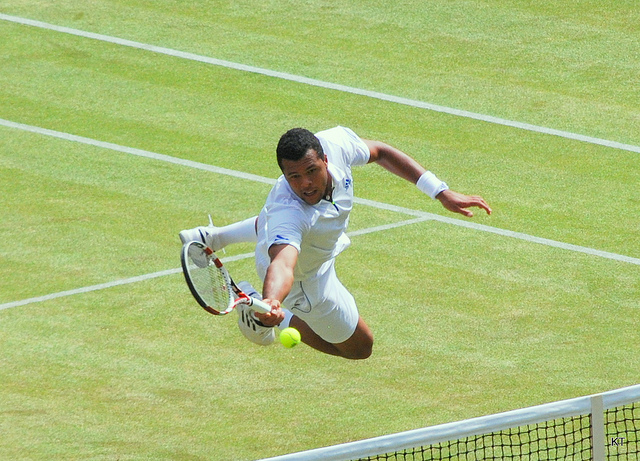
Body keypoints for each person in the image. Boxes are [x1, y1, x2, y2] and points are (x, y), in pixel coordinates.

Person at [180, 126, 491, 360]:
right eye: (294, 177)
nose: (305, 183)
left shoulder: (338, 144)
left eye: (311, 171)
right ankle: (258, 309)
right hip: (305, 280)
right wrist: (272, 301)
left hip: (310, 241)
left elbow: (381, 151)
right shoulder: (289, 211)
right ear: (284, 176)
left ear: (326, 159)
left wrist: (440, 191)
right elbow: (283, 263)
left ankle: (215, 237)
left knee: (284, 222)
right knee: (359, 347)